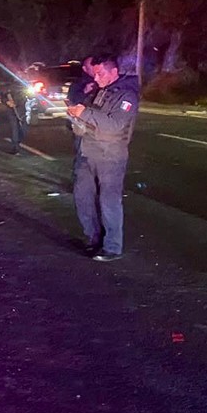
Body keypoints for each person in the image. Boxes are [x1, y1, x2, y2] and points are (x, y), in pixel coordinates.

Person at [66, 56, 140, 262]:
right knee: (83, 198)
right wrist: (75, 118)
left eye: (101, 74)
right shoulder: (100, 91)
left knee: (109, 201)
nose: (96, 78)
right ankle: (93, 239)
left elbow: (114, 125)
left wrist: (84, 112)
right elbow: (89, 119)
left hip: (110, 156)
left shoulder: (127, 96)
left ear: (114, 71)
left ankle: (112, 247)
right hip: (87, 152)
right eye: (95, 73)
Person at [2, 91, 27, 155]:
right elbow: (3, 96)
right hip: (11, 112)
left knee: (23, 130)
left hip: (21, 111)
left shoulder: (21, 86)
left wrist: (16, 103)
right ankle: (15, 147)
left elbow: (25, 97)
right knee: (14, 129)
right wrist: (7, 102)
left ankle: (18, 141)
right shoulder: (7, 86)